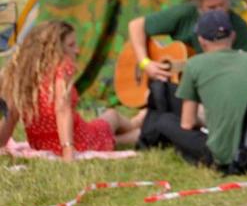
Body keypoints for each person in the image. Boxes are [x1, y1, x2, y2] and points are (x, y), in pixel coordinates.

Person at [137, 10, 247, 168]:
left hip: (225, 157)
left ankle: (143, 143)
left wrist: (205, 118)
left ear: (201, 40)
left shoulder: (195, 65)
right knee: (166, 94)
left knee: (164, 119)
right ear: (233, 36)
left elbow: (188, 123)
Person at [0, 21, 142, 159]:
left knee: (109, 127)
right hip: (76, 139)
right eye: (71, 45)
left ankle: (138, 124)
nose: (77, 50)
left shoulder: (20, 74)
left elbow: (11, 116)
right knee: (112, 116)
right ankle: (137, 123)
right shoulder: (63, 67)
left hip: (42, 144)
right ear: (54, 49)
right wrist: (68, 148)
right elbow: (62, 108)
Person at [128, 0, 247, 85]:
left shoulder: (239, 27)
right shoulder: (186, 13)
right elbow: (136, 25)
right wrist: (145, 63)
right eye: (211, 8)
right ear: (199, 7)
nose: (219, 11)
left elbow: (242, 68)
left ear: (228, 1)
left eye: (222, 5)